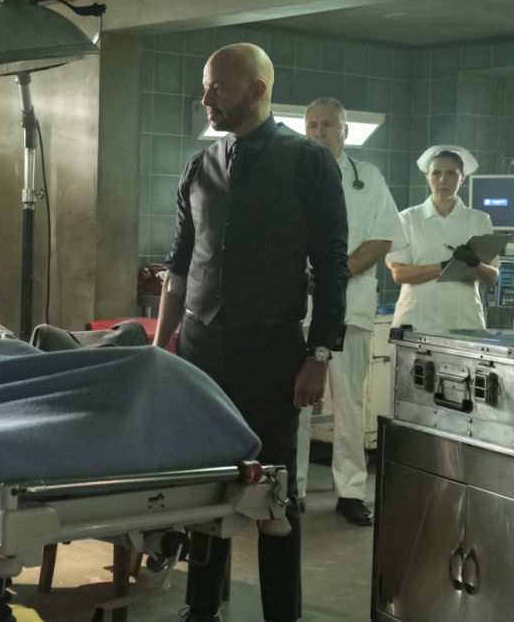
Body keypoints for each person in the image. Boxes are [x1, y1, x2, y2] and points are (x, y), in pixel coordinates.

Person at [152, 44, 349, 622]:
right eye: (205, 86)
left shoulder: (308, 163)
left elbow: (331, 266)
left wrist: (319, 353)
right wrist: (161, 346)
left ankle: (281, 614)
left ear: (258, 90)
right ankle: (202, 607)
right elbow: (180, 265)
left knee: (275, 494)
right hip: (201, 349)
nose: (206, 98)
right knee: (206, 484)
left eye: (218, 87)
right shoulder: (201, 166)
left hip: (272, 353)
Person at [295, 97, 407, 526]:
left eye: (328, 124)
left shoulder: (368, 178)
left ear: (345, 130)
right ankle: (292, 490)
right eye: (312, 125)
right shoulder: (292, 172)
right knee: (296, 404)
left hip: (350, 310)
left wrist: (333, 276)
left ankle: (351, 491)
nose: (319, 132)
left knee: (349, 404)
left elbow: (383, 238)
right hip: (298, 311)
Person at [386, 145, 499, 331]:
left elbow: (492, 278)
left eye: (451, 173)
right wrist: (445, 266)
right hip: (416, 320)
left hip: (465, 321)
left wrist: (475, 264)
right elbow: (399, 274)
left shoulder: (479, 221)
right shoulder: (408, 219)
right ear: (427, 178)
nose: (442, 180)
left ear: (462, 178)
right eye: (436, 173)